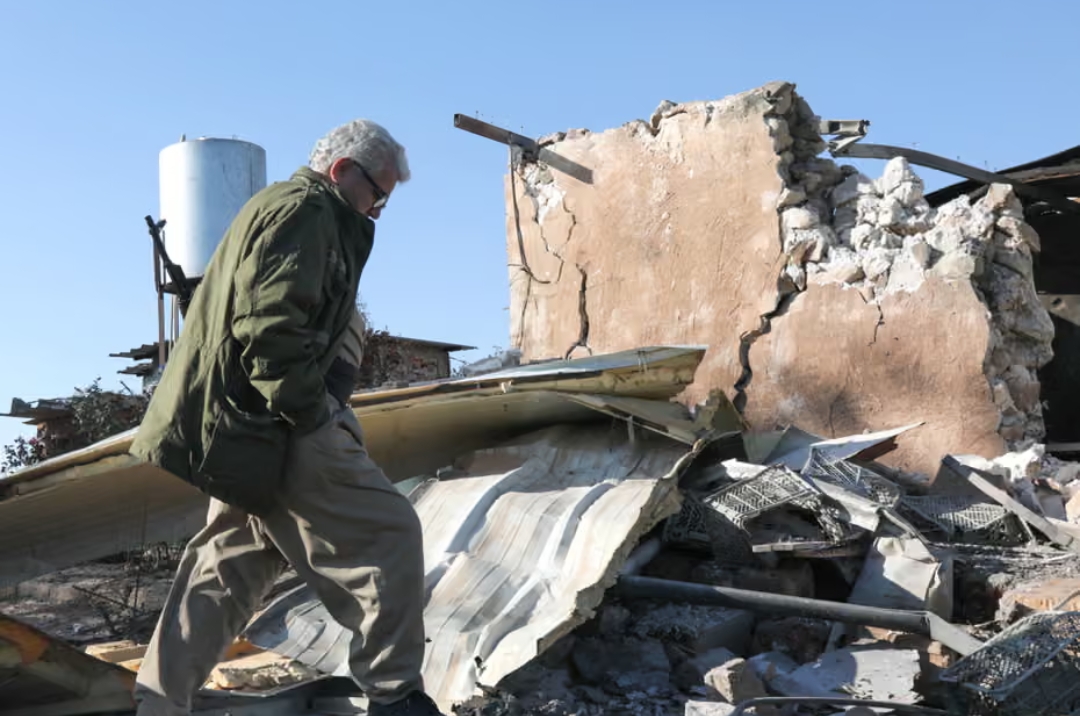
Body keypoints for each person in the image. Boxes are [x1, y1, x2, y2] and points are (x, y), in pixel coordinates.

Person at [129, 119, 443, 716]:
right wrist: (315, 415)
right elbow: (268, 328)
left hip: (245, 427)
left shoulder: (286, 208)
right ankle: (394, 695)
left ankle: (158, 704)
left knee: (229, 565)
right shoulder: (306, 210)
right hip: (278, 421)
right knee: (390, 533)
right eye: (376, 194)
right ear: (341, 170)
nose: (377, 211)